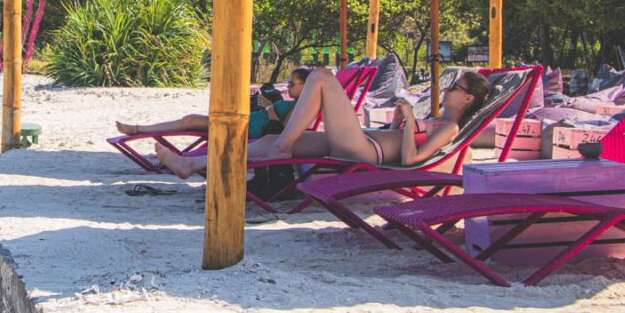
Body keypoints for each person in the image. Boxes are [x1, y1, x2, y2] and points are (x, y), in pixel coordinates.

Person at [154, 67, 491, 179]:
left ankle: (282, 147)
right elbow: (401, 141)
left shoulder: (449, 128)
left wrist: (405, 121)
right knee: (271, 143)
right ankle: (192, 163)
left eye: (454, 88)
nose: (446, 91)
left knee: (321, 77)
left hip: (365, 151)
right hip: (364, 141)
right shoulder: (434, 119)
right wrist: (401, 124)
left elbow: (410, 161)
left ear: (468, 99)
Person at [115, 68, 311, 141]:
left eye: (292, 83)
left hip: (246, 130)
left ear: (306, 85)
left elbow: (281, 130)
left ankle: (138, 129)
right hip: (245, 123)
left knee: (191, 120)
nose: (288, 86)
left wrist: (269, 107)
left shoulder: (299, 106)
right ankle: (139, 129)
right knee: (191, 120)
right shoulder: (293, 102)